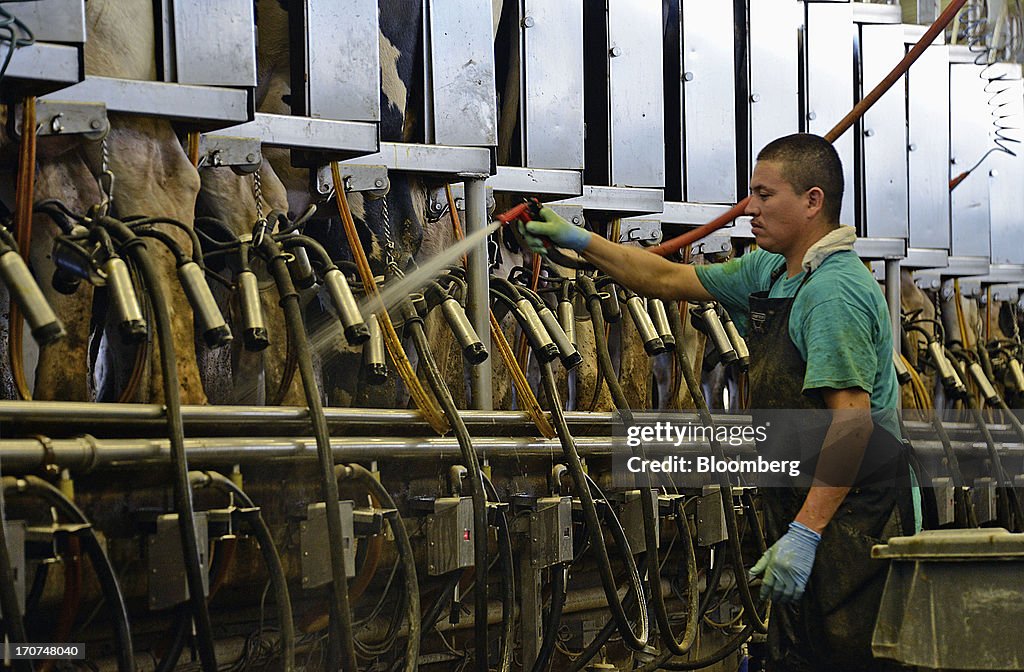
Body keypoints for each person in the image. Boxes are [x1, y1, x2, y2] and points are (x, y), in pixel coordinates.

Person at [518, 133, 916, 671]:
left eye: (764, 194)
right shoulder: (773, 272)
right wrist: (580, 242)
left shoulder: (832, 293)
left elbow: (851, 428)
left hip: (860, 518)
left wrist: (805, 532)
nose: (749, 207)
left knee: (854, 657)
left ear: (812, 201)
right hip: (819, 505)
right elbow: (664, 276)